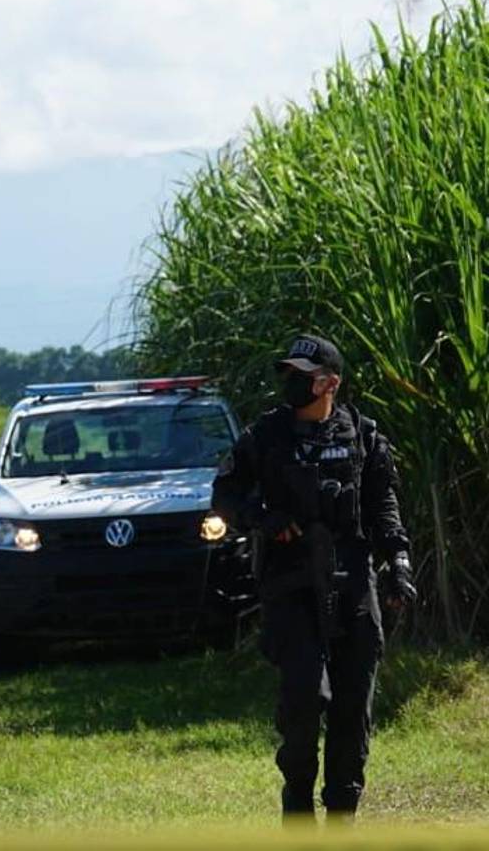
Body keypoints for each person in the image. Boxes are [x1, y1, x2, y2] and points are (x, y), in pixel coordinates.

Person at [212, 335, 417, 822]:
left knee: (352, 708)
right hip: (291, 585)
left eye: (301, 374)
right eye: (287, 372)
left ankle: (343, 815)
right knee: (306, 697)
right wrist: (262, 518)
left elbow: (383, 507)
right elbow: (224, 493)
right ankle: (298, 808)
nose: (290, 382)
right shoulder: (266, 436)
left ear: (329, 383)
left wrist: (399, 564)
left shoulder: (363, 436)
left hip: (353, 584)